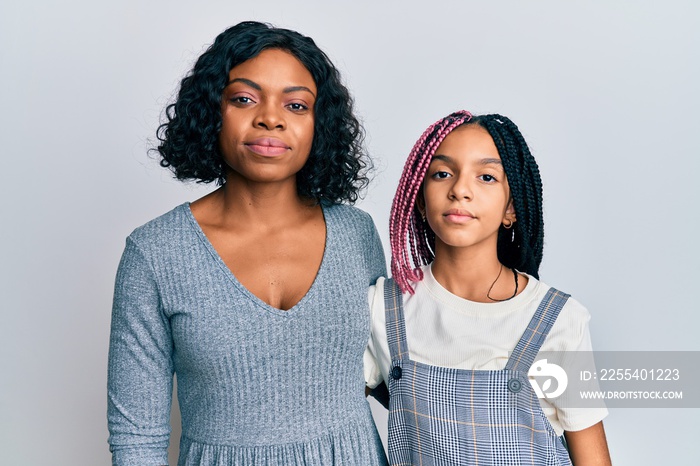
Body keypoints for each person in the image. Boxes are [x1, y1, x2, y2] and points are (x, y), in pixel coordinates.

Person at [108, 21, 388, 466]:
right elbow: (136, 438)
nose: (270, 118)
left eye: (296, 105)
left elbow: (396, 376)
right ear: (211, 112)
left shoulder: (358, 234)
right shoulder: (154, 254)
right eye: (243, 98)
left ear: (320, 124)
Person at [364, 111, 611, 465]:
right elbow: (329, 419)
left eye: (486, 177)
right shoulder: (384, 308)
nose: (460, 190)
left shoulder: (559, 321)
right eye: (442, 173)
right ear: (420, 199)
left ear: (511, 208)